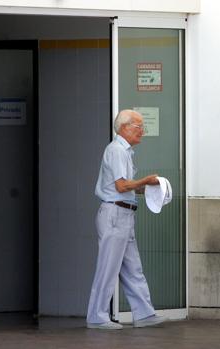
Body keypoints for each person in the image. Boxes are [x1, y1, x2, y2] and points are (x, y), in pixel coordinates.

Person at [86, 109, 167, 330]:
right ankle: (97, 316)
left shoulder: (124, 151)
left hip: (123, 213)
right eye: (139, 127)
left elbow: (124, 188)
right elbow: (121, 186)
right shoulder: (117, 151)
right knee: (108, 268)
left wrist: (149, 188)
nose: (143, 131)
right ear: (125, 127)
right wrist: (146, 180)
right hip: (115, 214)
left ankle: (144, 314)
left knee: (133, 267)